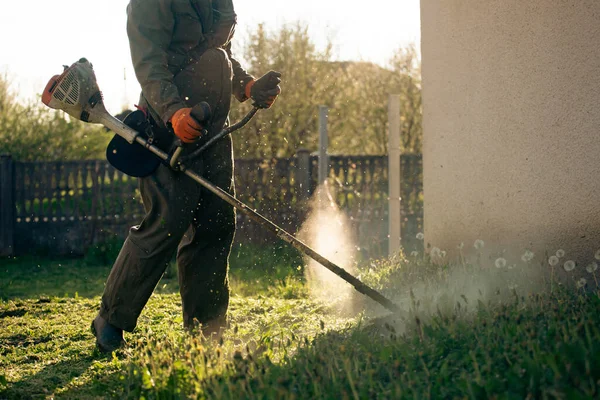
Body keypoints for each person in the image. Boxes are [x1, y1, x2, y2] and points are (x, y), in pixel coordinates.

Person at [91, 0, 281, 353]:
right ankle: (111, 318)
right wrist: (174, 111)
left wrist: (248, 86)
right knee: (167, 222)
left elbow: (219, 52)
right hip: (168, 129)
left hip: (215, 132)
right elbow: (149, 64)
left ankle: (206, 331)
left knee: (216, 224)